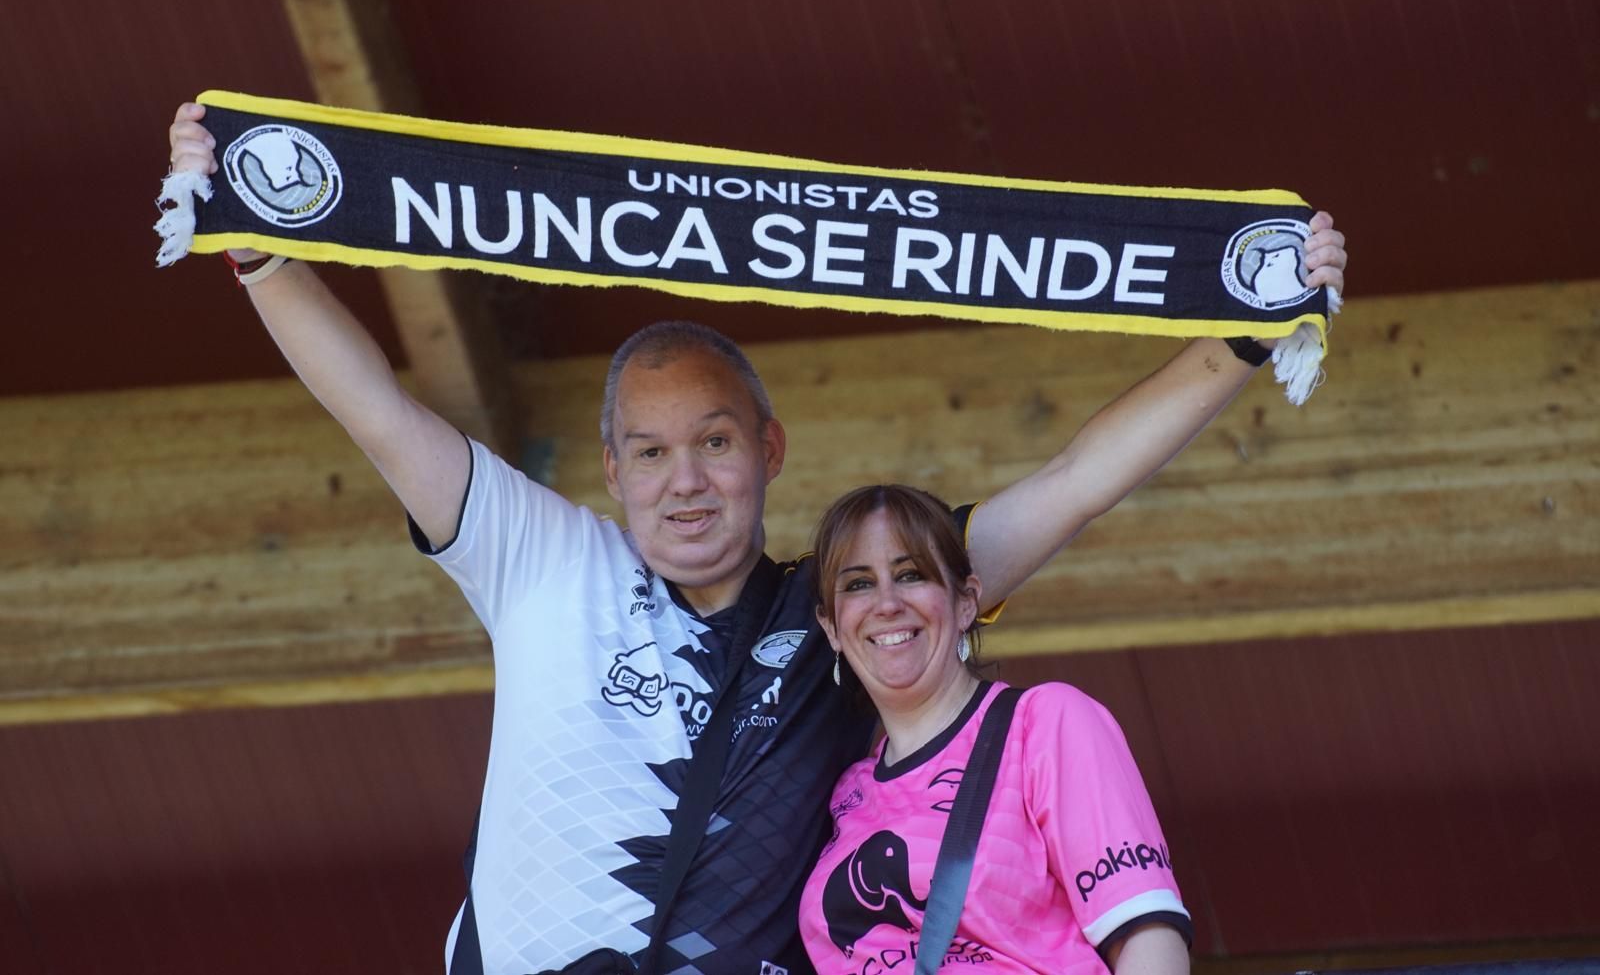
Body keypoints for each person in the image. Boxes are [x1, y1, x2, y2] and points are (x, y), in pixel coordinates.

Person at [166, 102, 1346, 975]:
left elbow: (1078, 483)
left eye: (715, 443)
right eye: (650, 450)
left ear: (769, 450)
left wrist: (1245, 333)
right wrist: (259, 247)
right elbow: (376, 411)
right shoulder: (539, 556)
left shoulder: (849, 611)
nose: (685, 481)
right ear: (611, 462)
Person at [803, 485, 1189, 975]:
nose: (886, 603)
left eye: (910, 574)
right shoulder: (846, 789)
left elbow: (1147, 940)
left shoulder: (1044, 724)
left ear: (966, 602)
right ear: (832, 627)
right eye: (858, 584)